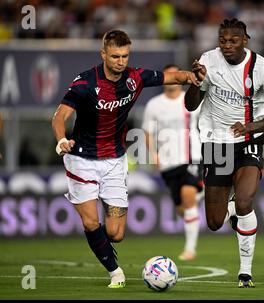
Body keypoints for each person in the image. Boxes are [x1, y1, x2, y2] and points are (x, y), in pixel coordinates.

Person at [51, 29, 201, 289]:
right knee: (90, 221)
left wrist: (192, 75)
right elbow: (59, 116)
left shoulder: (135, 78)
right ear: (104, 54)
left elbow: (172, 77)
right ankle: (114, 271)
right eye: (115, 56)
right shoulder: (85, 83)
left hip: (115, 161)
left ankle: (105, 247)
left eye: (125, 56)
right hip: (81, 160)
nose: (121, 61)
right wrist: (62, 140)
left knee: (115, 233)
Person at [185, 18, 264, 288]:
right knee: (215, 222)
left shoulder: (262, 68)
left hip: (248, 140)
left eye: (233, 40)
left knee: (244, 201)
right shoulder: (208, 60)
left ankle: (245, 272)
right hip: (216, 143)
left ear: (245, 40)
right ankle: (230, 210)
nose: (227, 45)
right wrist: (196, 81)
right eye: (223, 40)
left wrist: (250, 127)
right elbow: (191, 105)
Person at [142, 64, 203, 261]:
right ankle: (204, 195)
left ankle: (190, 249)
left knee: (187, 195)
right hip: (168, 163)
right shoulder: (153, 105)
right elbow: (148, 132)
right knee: (181, 208)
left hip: (191, 156)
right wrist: (153, 155)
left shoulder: (191, 100)